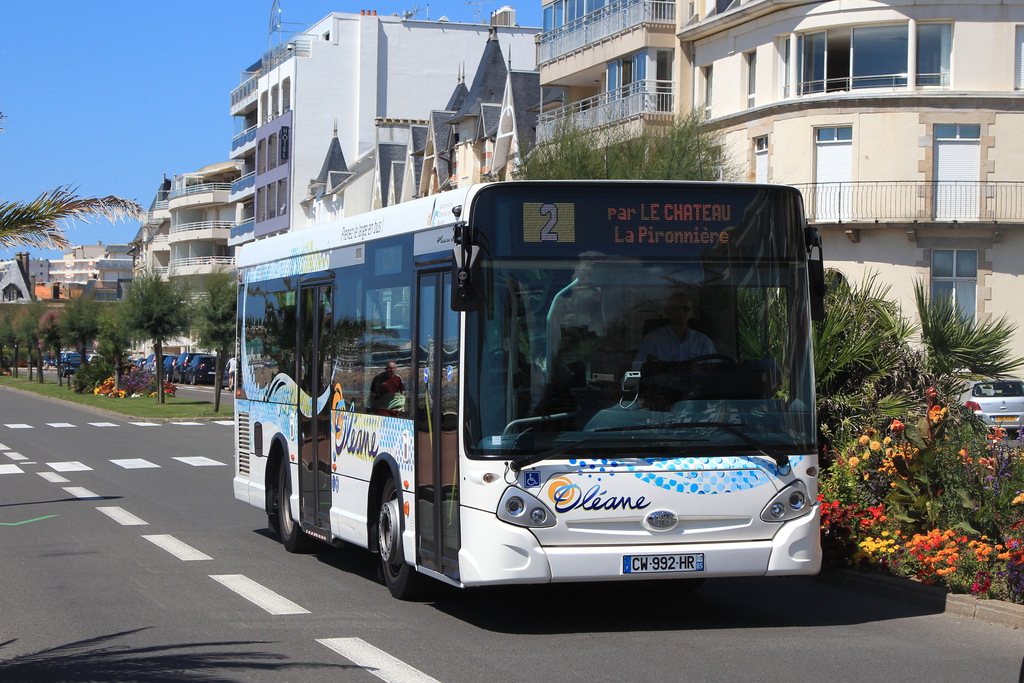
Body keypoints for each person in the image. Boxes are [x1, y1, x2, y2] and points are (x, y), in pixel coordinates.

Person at [634, 292, 716, 366]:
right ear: (667, 311)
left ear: (691, 312)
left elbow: (715, 372)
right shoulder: (652, 340)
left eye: (686, 309)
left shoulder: (704, 342)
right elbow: (638, 370)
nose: (681, 313)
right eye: (676, 308)